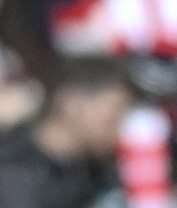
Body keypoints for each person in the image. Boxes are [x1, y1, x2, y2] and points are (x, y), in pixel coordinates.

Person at [0, 55, 134, 208]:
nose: (117, 130)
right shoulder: (13, 174)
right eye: (112, 117)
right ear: (69, 104)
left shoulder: (91, 169)